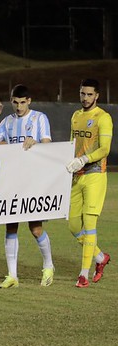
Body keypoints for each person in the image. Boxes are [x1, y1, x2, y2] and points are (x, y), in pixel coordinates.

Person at [0, 85, 55, 288]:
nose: (19, 106)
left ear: (29, 101)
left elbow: (48, 145)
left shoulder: (39, 118)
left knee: (35, 228)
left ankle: (48, 266)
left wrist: (35, 142)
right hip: (13, 181)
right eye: (15, 102)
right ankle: (12, 275)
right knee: (10, 227)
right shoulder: (7, 121)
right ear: (11, 101)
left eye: (22, 102)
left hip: (33, 181)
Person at [67, 78, 113, 287]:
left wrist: (84, 159)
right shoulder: (76, 116)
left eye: (89, 94)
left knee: (90, 224)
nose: (85, 98)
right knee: (74, 224)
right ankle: (100, 257)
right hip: (78, 176)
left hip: (95, 174)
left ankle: (83, 274)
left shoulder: (103, 117)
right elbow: (72, 144)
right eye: (82, 94)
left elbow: (104, 149)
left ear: (97, 96)